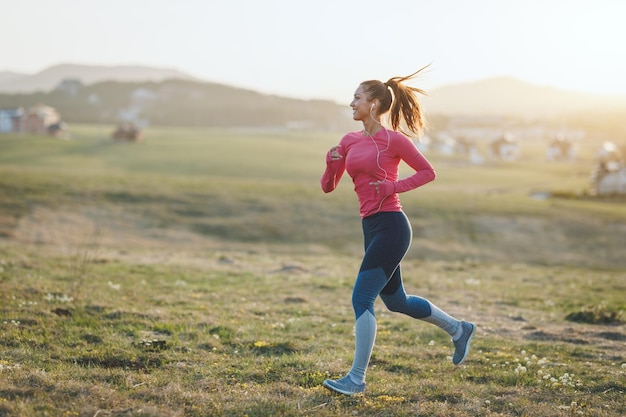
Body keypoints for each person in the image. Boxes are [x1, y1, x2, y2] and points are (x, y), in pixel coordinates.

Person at [320, 67, 476, 396]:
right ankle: (458, 329)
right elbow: (328, 187)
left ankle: (356, 379)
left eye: (357, 97)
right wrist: (331, 162)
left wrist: (393, 185)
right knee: (396, 301)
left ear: (374, 104)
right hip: (371, 226)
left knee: (362, 299)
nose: (352, 103)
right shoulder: (348, 141)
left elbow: (427, 172)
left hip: (392, 225)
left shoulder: (394, 140)